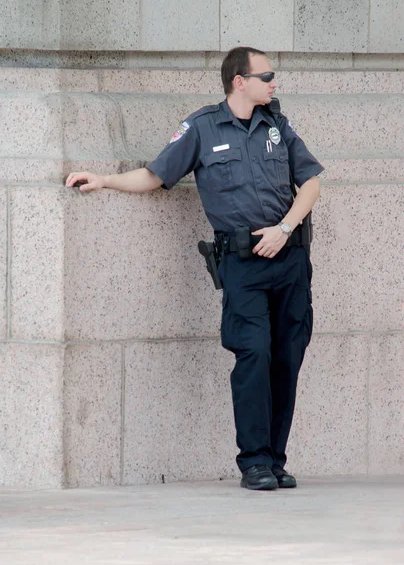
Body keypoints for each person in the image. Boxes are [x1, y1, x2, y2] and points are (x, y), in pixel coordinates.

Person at [66, 46, 323, 491]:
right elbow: (155, 175)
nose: (274, 83)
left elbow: (312, 182)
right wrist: (105, 180)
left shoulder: (278, 125)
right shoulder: (202, 128)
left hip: (290, 258)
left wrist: (285, 227)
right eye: (267, 76)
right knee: (254, 355)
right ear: (239, 81)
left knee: (287, 357)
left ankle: (276, 460)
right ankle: (255, 462)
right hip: (243, 263)